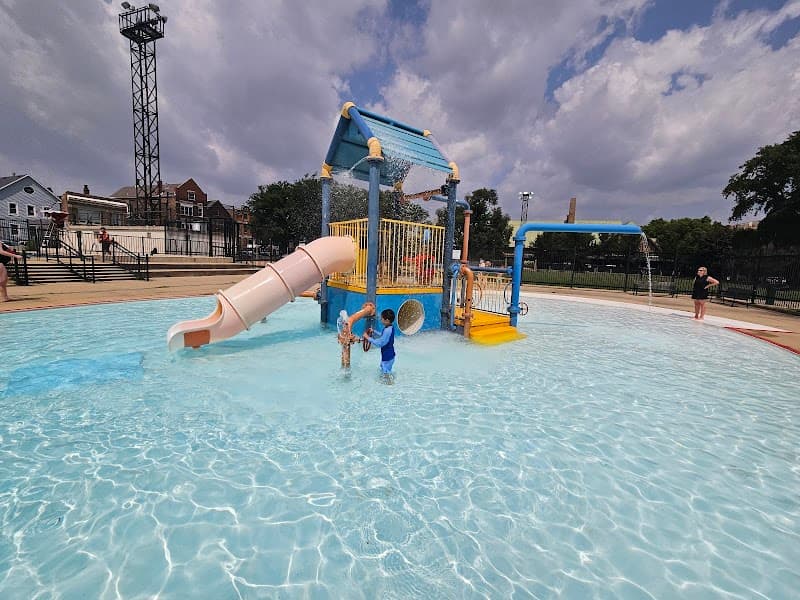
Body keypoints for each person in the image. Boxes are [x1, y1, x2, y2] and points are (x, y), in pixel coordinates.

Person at [364, 308, 396, 380]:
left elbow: (380, 343)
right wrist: (374, 331)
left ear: (387, 320)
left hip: (387, 356)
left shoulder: (387, 330)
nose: (381, 320)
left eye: (382, 319)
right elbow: (383, 335)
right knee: (385, 369)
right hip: (390, 355)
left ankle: (389, 385)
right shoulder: (390, 327)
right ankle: (389, 381)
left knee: (385, 372)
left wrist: (368, 337)